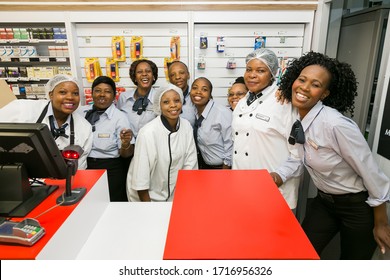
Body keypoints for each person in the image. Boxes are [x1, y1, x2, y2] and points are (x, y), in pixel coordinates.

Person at [278, 51, 390, 259]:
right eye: (301, 80)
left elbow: (371, 172)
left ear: (325, 94)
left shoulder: (335, 124)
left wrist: (381, 223)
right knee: (298, 254)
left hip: (357, 207)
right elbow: (296, 157)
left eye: (315, 84)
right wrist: (277, 176)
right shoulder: (298, 117)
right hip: (324, 203)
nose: (304, 87)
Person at [231, 48, 301, 210]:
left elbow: (299, 153)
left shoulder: (284, 102)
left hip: (276, 188)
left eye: (260, 70)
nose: (252, 75)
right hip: (242, 186)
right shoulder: (241, 103)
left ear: (272, 74)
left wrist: (279, 176)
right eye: (249, 69)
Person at [0, 74, 92, 169]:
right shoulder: (22, 109)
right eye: (63, 92)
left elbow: (79, 169)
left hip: (61, 179)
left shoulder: (84, 128)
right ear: (51, 94)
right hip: (17, 173)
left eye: (75, 93)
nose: (70, 97)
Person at [126, 83, 198, 202]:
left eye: (176, 100)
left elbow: (190, 164)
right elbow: (141, 179)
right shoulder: (147, 133)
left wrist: (184, 196)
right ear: (158, 106)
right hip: (147, 198)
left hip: (175, 195)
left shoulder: (186, 126)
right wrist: (149, 209)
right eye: (166, 102)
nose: (173, 105)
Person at [79, 76, 134, 201]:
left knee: (112, 204)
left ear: (114, 96)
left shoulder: (120, 118)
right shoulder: (81, 113)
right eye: (98, 91)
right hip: (84, 167)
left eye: (107, 91)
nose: (102, 95)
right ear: (92, 94)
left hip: (110, 170)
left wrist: (126, 144)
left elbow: (126, 154)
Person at [190, 77, 233, 169]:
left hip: (221, 168)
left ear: (210, 95)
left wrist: (225, 170)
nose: (198, 91)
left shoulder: (222, 113)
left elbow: (230, 144)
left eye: (204, 89)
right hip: (204, 167)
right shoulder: (194, 111)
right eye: (195, 88)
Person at [116, 59, 158, 138]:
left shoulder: (160, 98)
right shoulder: (124, 97)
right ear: (134, 77)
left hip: (151, 146)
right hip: (128, 146)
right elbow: (118, 122)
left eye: (148, 71)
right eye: (139, 72)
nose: (144, 74)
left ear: (153, 76)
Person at [168, 60, 197, 126]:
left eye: (181, 73)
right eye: (173, 75)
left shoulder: (196, 96)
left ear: (188, 75)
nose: (178, 77)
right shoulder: (164, 98)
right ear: (169, 79)